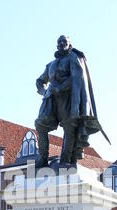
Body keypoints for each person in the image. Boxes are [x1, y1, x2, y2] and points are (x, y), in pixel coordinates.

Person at [35, 35, 107, 167]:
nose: (62, 43)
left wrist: (61, 88)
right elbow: (40, 81)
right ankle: (42, 159)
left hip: (68, 99)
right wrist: (44, 91)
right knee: (40, 125)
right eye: (59, 42)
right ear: (57, 45)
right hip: (50, 99)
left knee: (69, 127)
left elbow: (77, 78)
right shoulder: (51, 64)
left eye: (64, 41)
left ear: (70, 44)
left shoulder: (74, 58)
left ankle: (65, 160)